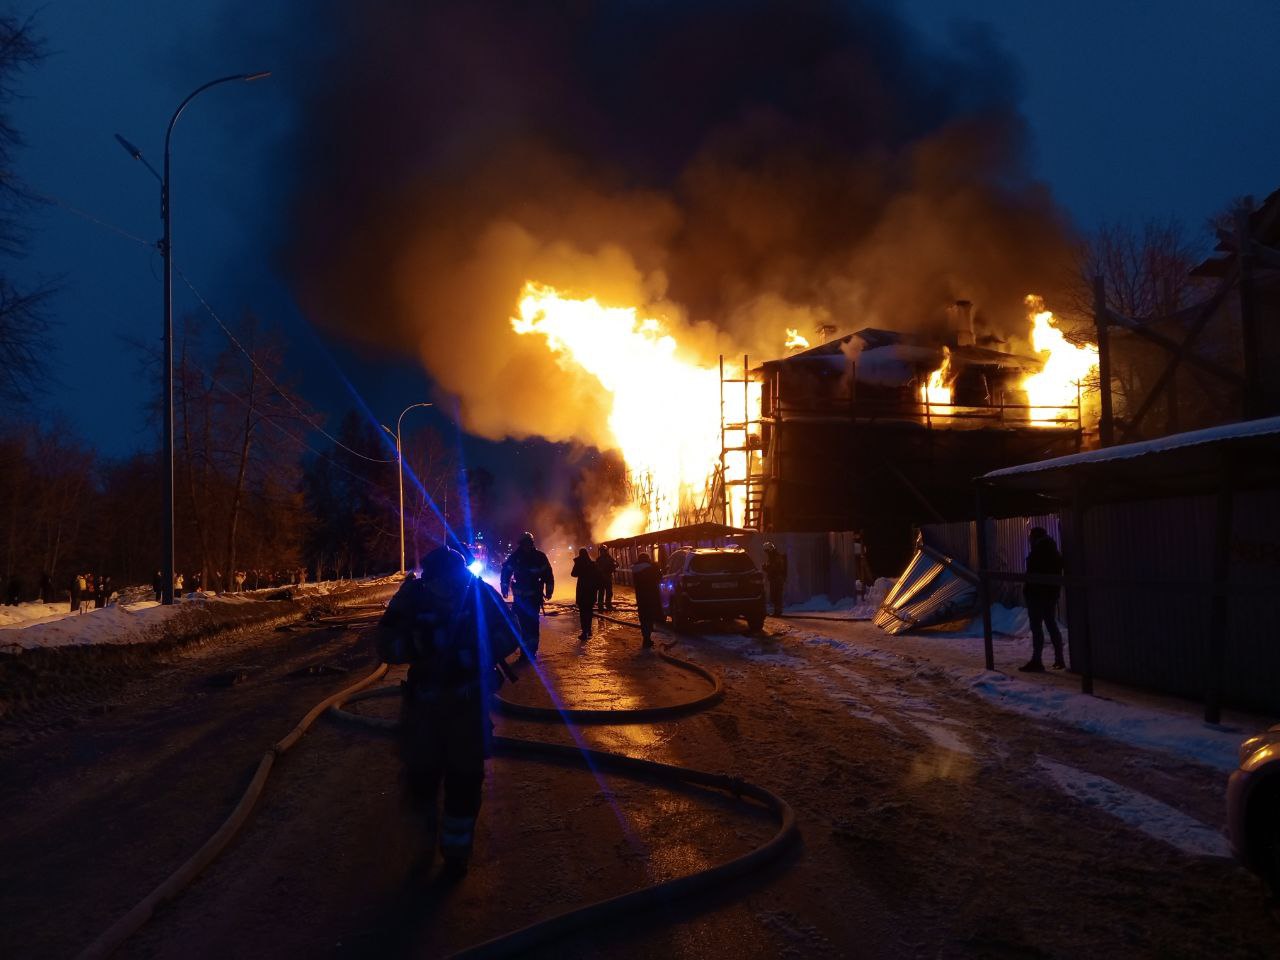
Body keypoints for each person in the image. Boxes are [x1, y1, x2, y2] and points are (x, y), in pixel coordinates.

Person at [375, 547, 519, 877]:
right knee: (431, 778)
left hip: (456, 705)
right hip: (433, 705)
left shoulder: (473, 592)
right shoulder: (418, 596)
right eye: (441, 580)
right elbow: (386, 645)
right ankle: (435, 843)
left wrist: (472, 650)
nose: (447, 588)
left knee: (460, 779)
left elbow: (512, 634)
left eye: (451, 580)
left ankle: (452, 851)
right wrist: (427, 645)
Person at [500, 532, 554, 659]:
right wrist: (504, 587)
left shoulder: (540, 557)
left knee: (533, 625)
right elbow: (506, 572)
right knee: (521, 626)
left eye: (527, 543)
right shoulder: (515, 557)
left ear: (531, 543)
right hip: (519, 600)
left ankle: (532, 651)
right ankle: (525, 652)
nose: (525, 546)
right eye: (523, 544)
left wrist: (549, 590)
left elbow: (548, 574)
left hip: (534, 599)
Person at [1019, 526, 1065, 673]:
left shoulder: (1038, 553)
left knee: (1037, 628)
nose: (1029, 540)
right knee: (1051, 624)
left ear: (1035, 537)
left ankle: (1037, 660)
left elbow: (1032, 574)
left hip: (1037, 595)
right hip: (1050, 595)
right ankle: (1059, 659)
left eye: (1030, 537)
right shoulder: (1053, 551)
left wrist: (1028, 591)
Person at [632, 551, 662, 650]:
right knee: (649, 617)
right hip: (651, 596)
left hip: (640, 597)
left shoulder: (635, 570)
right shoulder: (651, 569)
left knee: (643, 618)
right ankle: (647, 638)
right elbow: (659, 577)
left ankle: (645, 637)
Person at [571, 548, 599, 641]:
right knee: (589, 611)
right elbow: (598, 577)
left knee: (583, 612)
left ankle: (584, 632)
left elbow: (573, 574)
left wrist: (577, 563)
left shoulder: (579, 563)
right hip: (591, 591)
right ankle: (589, 630)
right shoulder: (593, 564)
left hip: (582, 591)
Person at [762, 541, 788, 617]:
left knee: (777, 595)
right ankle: (777, 611)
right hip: (775, 578)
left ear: (770, 549)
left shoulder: (776, 557)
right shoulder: (773, 557)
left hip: (777, 578)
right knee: (775, 595)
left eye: (767, 551)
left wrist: (766, 567)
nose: (766, 553)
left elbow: (774, 568)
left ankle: (778, 611)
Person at [594, 544, 617, 611]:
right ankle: (607, 605)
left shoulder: (599, 559)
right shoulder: (609, 558)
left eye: (602, 551)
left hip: (602, 579)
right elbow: (614, 565)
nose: (602, 552)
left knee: (604, 592)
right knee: (606, 592)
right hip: (606, 578)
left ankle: (602, 606)